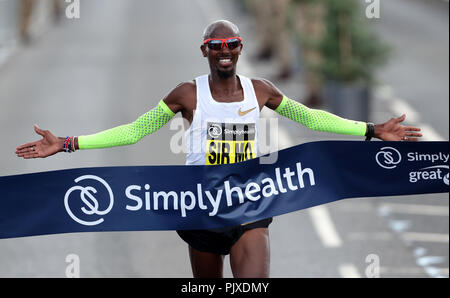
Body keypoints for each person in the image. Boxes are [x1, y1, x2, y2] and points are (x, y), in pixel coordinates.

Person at [16, 20, 422, 278]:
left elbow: (313, 118)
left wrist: (371, 130)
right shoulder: (186, 94)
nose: (224, 51)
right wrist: (68, 144)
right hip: (202, 208)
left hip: (250, 204)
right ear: (205, 51)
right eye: (216, 45)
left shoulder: (260, 90)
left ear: (240, 49)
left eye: (232, 44)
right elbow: (134, 132)